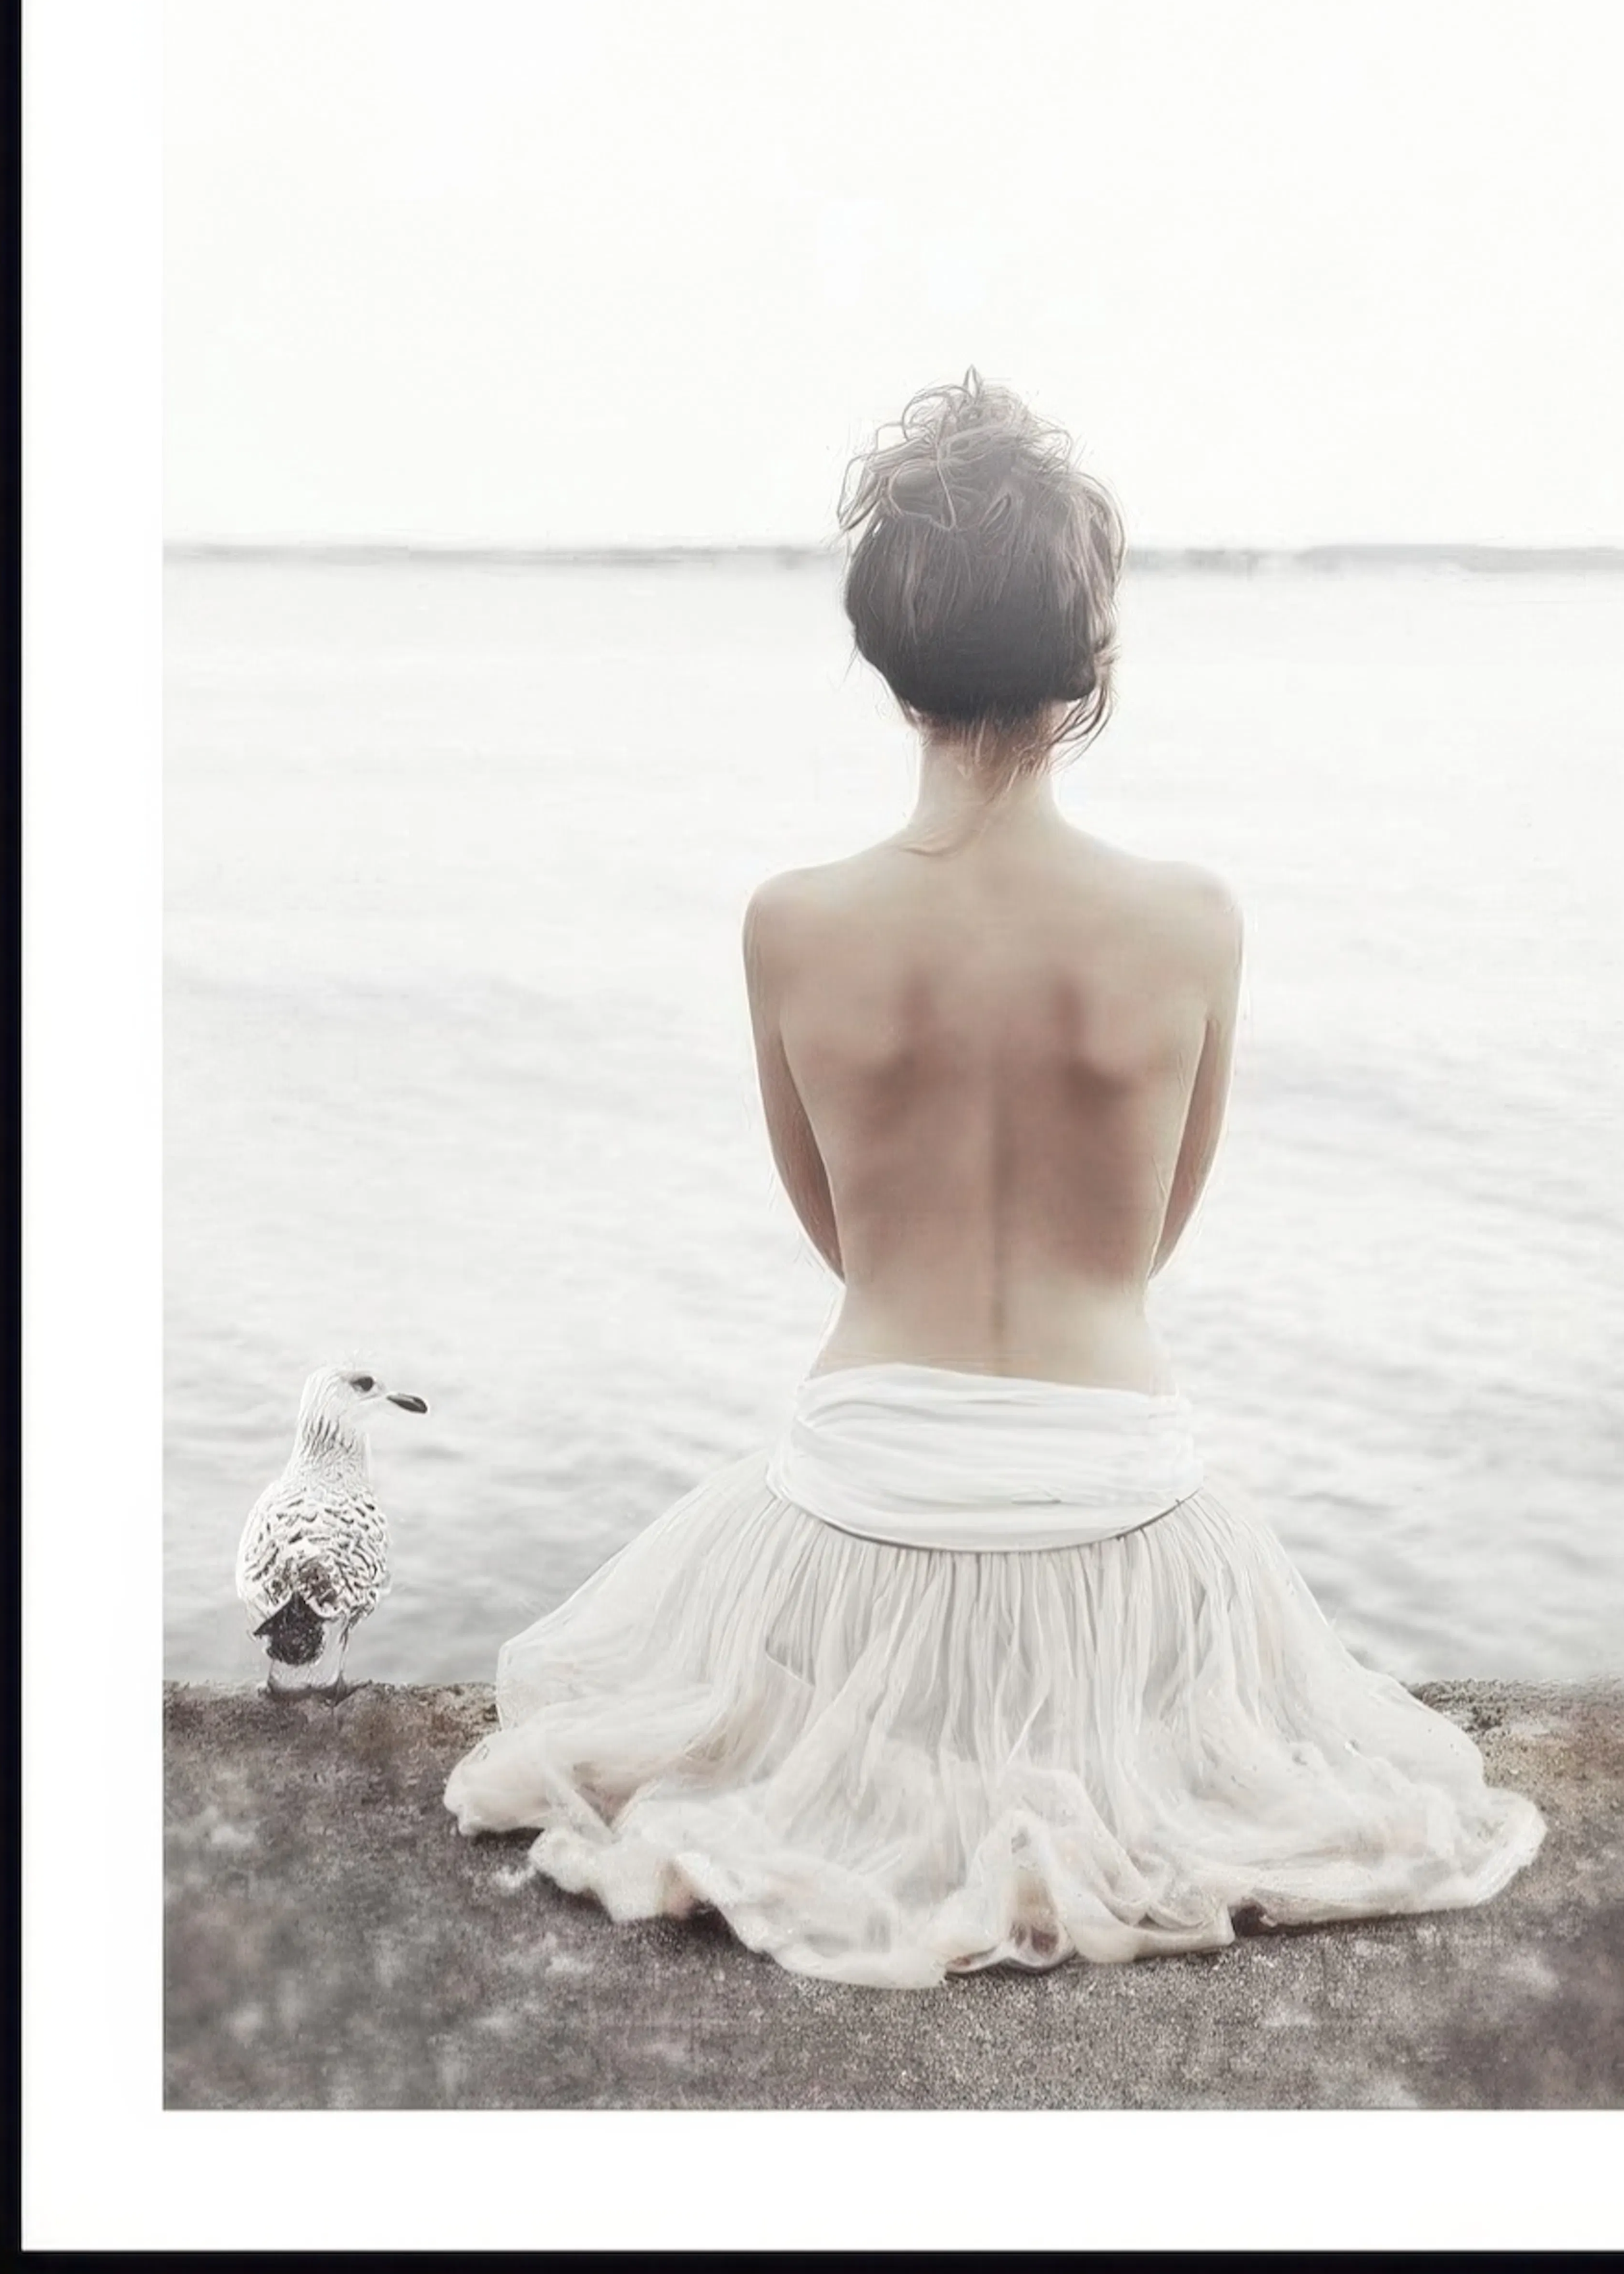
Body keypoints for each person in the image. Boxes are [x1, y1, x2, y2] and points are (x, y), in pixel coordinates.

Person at [444, 371, 1545, 1989]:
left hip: (858, 1503)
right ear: (1088, 662)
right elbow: (1150, 1242)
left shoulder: (792, 923)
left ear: (887, 660)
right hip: (1127, 1509)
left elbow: (839, 1237)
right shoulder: (1192, 921)